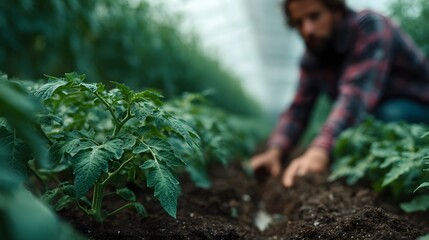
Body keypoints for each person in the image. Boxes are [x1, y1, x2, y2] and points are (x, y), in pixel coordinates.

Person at [251, 0, 429, 188]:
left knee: (386, 115)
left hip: (417, 107)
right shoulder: (313, 56)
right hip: (375, 113)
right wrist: (275, 150)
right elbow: (298, 109)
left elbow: (356, 96)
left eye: (314, 16)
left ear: (336, 10)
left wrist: (320, 149)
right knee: (355, 129)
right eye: (299, 22)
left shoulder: (369, 26)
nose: (308, 29)